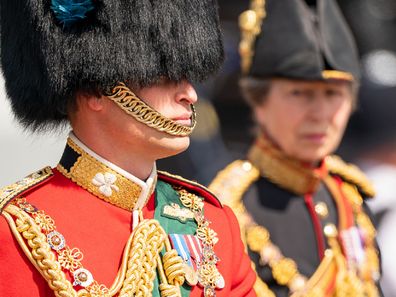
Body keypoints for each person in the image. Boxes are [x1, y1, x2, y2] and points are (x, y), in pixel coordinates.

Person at [0, 1, 256, 296]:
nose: (190, 94)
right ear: (96, 89)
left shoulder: (214, 222)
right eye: (165, 76)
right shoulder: (19, 229)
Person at [209, 0, 382, 296]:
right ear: (259, 102)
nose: (319, 113)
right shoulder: (228, 209)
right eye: (299, 93)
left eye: (332, 94)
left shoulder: (349, 197)